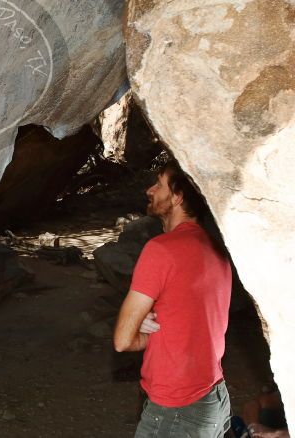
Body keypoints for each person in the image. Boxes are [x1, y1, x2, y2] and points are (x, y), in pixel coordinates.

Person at [113, 160, 233, 437]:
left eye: (159, 184)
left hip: (177, 406)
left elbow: (122, 340)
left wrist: (142, 332)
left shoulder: (161, 250)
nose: (149, 189)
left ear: (177, 197)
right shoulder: (216, 249)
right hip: (212, 397)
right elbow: (188, 315)